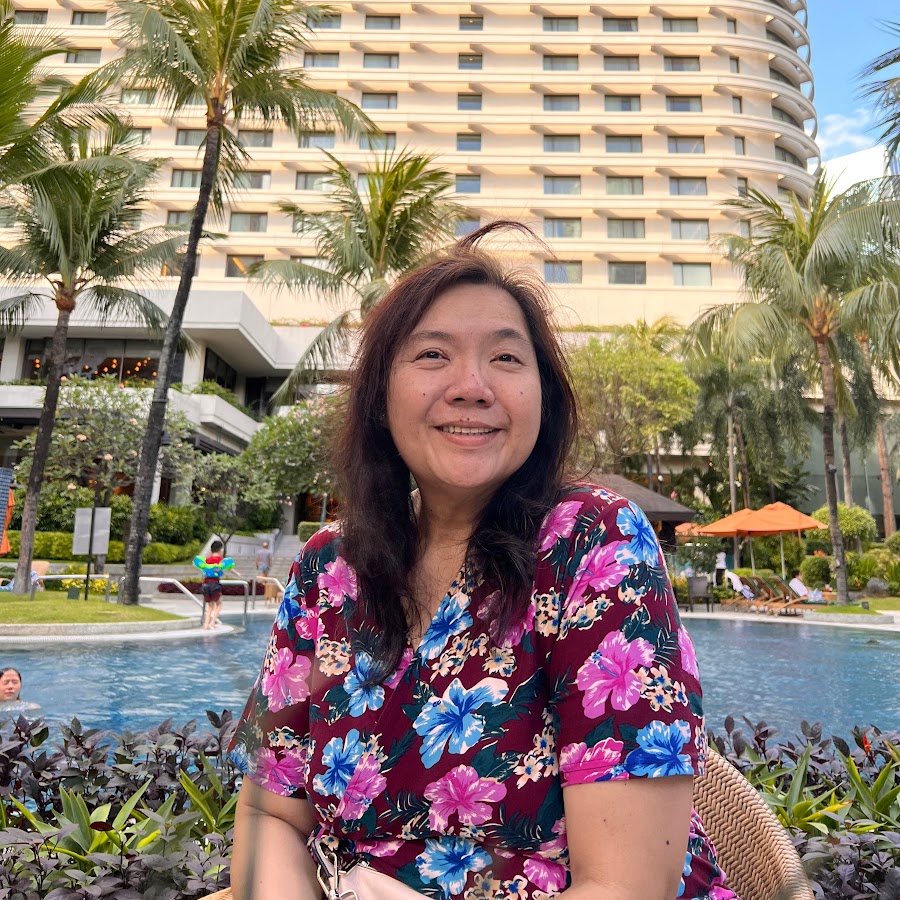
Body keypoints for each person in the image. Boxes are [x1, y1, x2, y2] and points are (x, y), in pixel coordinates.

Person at [228, 222, 735, 899]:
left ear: (542, 397)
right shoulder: (328, 569)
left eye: (505, 358)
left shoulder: (594, 543)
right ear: (380, 395)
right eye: (432, 355)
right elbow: (270, 812)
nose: (471, 386)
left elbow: (625, 886)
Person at [193, 541, 235, 630]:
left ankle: (206, 625)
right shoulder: (220, 560)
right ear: (220, 550)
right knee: (219, 604)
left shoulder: (207, 560)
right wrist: (237, 573)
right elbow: (229, 567)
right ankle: (212, 623)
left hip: (206, 584)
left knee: (210, 606)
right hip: (215, 584)